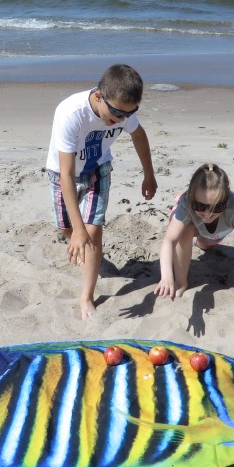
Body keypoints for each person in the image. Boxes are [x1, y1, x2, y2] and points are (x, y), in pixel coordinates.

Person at [46, 64, 158, 319]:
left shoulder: (124, 111)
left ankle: (86, 296)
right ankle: (81, 243)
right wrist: (77, 231)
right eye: (116, 113)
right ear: (99, 96)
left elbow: (139, 136)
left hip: (98, 170)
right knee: (69, 230)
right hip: (63, 174)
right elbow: (66, 174)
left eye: (128, 114)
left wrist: (149, 174)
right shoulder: (71, 113)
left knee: (92, 232)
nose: (120, 120)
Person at [155, 163, 234, 310]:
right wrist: (167, 276)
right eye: (200, 206)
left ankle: (202, 241)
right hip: (192, 224)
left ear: (226, 201)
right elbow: (169, 240)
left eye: (216, 207)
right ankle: (181, 282)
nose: (207, 213)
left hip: (217, 233)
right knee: (184, 232)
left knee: (206, 244)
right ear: (192, 198)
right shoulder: (187, 204)